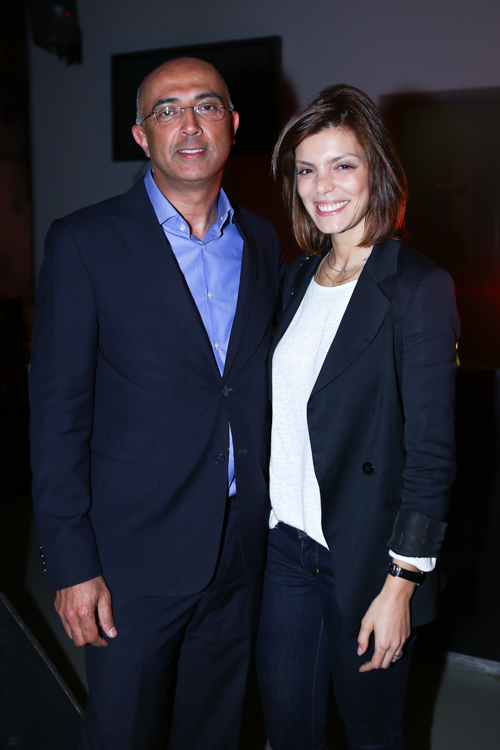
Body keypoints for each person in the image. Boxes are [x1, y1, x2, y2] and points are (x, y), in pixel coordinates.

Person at [30, 57, 284, 750]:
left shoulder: (262, 240)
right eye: (167, 111)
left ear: (233, 124)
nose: (189, 125)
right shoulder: (83, 243)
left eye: (206, 106)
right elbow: (56, 418)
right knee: (125, 733)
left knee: (216, 731)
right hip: (130, 560)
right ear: (142, 136)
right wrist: (72, 564)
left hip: (239, 549)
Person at [256, 84, 459, 750]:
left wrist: (400, 587)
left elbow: (431, 453)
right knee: (288, 730)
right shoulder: (296, 279)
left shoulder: (417, 286)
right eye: (306, 170)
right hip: (287, 552)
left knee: (373, 736)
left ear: (376, 170)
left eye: (342, 165)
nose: (323, 187)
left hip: (369, 560)